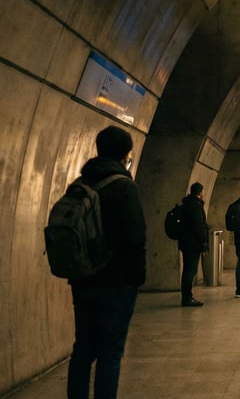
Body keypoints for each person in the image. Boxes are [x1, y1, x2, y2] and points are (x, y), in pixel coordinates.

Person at [66, 125, 146, 399]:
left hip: (83, 278)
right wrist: (136, 278)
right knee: (110, 353)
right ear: (125, 154)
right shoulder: (124, 186)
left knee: (83, 349)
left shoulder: (80, 185)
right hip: (116, 283)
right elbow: (136, 237)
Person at [178, 182, 209, 306]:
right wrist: (203, 241)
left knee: (187, 269)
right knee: (190, 270)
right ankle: (187, 297)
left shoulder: (186, 204)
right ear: (200, 192)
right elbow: (198, 226)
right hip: (193, 244)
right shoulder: (195, 206)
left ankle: (186, 296)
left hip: (186, 242)